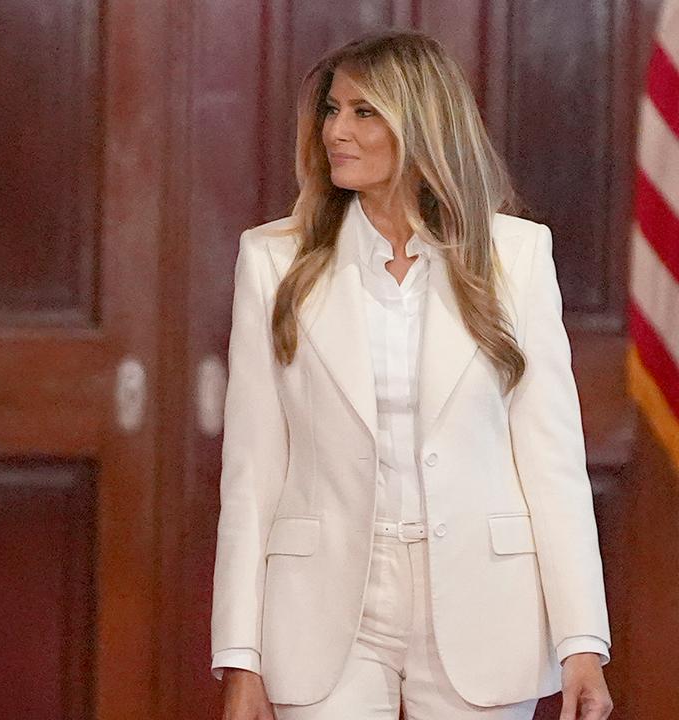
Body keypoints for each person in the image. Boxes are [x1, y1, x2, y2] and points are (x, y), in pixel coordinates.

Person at [211, 30, 612, 720]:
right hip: (322, 609)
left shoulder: (516, 256)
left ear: (422, 123)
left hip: (484, 605)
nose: (336, 130)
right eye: (332, 109)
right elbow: (251, 472)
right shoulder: (272, 260)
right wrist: (241, 657)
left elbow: (552, 462)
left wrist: (582, 642)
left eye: (364, 112)